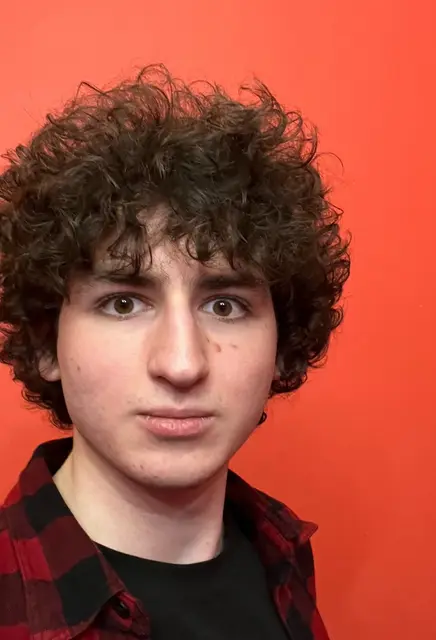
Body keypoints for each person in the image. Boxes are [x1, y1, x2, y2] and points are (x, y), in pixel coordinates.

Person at [0, 65, 350, 640]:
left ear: (280, 345)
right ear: (46, 342)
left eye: (225, 306)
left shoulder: (281, 555)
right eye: (123, 304)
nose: (182, 364)